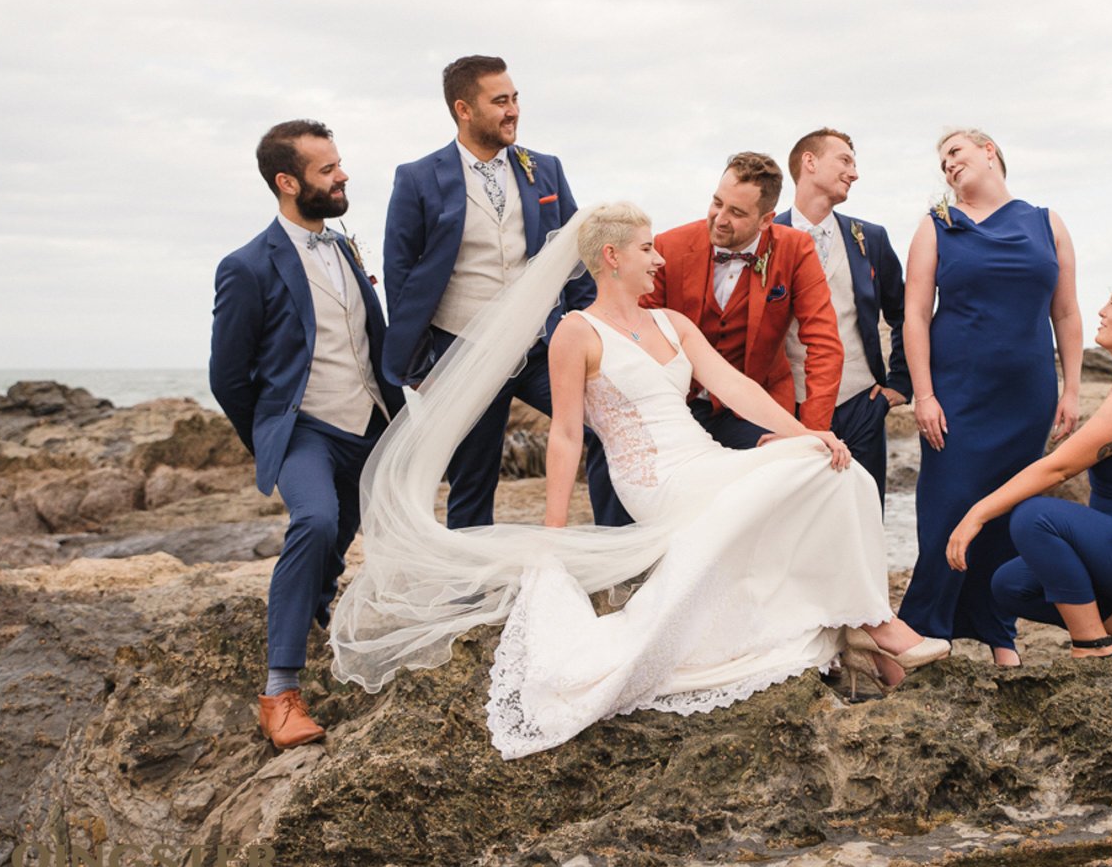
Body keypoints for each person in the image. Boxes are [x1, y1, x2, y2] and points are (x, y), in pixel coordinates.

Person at [330, 203, 947, 758]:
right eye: (647, 248)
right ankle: (872, 626)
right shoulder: (576, 333)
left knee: (837, 474)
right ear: (611, 256)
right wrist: (551, 531)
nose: (659, 258)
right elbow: (567, 434)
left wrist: (804, 432)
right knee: (786, 489)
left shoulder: (673, 323)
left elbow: (735, 389)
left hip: (703, 460)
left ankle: (860, 622)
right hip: (654, 482)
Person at [210, 120, 402, 750]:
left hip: (369, 422)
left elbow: (369, 338)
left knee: (346, 529)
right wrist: (273, 436)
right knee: (315, 521)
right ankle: (280, 692)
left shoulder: (344, 246)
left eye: (339, 164)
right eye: (327, 170)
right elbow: (228, 376)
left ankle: (315, 609)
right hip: (304, 429)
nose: (342, 175)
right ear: (288, 183)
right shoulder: (245, 266)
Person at [381, 54, 614, 528]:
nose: (513, 111)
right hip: (463, 351)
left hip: (542, 347)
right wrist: (419, 368)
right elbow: (401, 276)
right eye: (500, 101)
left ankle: (617, 547)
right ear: (464, 109)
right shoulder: (419, 178)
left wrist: (589, 328)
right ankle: (470, 596)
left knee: (607, 431)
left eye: (515, 99)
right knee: (473, 479)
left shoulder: (544, 170)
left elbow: (576, 255)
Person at [947, 274, 1112, 658]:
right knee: (1011, 584)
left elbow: (1057, 469)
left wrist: (977, 513)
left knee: (1035, 516)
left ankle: (1092, 645)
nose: (1101, 311)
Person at [900, 128, 1082, 667]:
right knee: (946, 510)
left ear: (989, 152)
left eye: (955, 152)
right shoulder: (938, 226)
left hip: (1025, 395)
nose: (948, 165)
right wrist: (924, 395)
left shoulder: (1047, 222)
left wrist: (1071, 387)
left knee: (1007, 514)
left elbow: (1066, 313)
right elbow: (914, 315)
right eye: (941, 161)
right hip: (956, 394)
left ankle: (1000, 635)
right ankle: (923, 631)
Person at [642, 152, 842, 449]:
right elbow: (641, 329)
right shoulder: (669, 245)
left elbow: (824, 344)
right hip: (678, 401)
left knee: (789, 471)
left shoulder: (795, 249)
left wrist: (809, 434)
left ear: (765, 220)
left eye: (736, 213)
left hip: (755, 406)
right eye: (717, 203)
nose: (720, 219)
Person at [774, 128, 910, 504]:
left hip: (860, 403)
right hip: (789, 407)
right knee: (794, 516)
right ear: (810, 162)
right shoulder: (767, 235)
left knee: (863, 513)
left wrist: (900, 382)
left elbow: (904, 313)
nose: (854, 173)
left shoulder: (871, 238)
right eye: (845, 161)